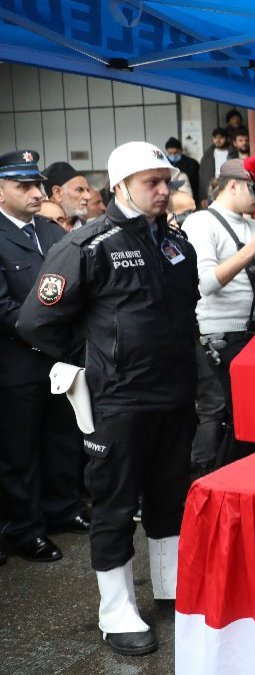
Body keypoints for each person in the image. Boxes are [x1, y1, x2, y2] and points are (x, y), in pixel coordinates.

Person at [18, 141, 201, 656]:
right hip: (117, 400)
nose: (164, 190)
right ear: (119, 186)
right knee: (116, 506)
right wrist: (93, 357)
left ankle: (171, 588)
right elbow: (36, 320)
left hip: (173, 394)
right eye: (151, 182)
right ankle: (116, 610)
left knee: (170, 497)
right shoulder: (88, 245)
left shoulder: (175, 243)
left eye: (167, 181)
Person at [0, 150, 89, 566]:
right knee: (21, 451)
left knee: (62, 437)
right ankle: (26, 528)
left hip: (58, 357)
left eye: (37, 184)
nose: (37, 193)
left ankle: (63, 508)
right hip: (17, 361)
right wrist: (46, 332)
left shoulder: (52, 232)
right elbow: (3, 306)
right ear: (0, 190)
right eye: (24, 187)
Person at [182, 158, 255, 467]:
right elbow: (206, 282)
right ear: (234, 185)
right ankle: (208, 479)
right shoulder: (201, 222)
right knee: (223, 412)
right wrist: (252, 248)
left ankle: (242, 479)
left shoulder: (253, 225)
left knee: (253, 419)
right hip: (219, 336)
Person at [43, 161, 93, 230]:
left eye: (87, 190)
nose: (88, 196)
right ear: (57, 193)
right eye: (80, 190)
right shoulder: (39, 230)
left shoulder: (88, 229)